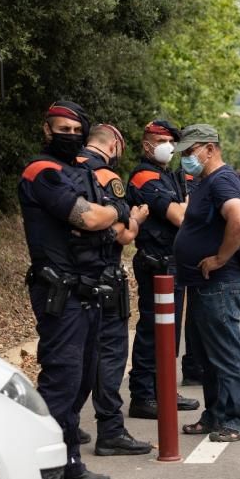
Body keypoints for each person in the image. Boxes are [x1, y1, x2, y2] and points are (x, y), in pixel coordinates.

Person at [19, 101, 139, 479]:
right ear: (46, 129)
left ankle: (70, 462)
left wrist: (111, 212)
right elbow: (87, 219)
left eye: (75, 128)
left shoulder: (83, 173)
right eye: (60, 127)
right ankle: (43, 478)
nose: (68, 133)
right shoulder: (42, 172)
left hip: (89, 291)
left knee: (84, 379)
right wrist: (116, 209)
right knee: (62, 382)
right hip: (60, 293)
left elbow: (115, 226)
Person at [173, 124, 240, 442]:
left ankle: (239, 419)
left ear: (209, 148)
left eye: (191, 152)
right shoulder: (206, 181)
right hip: (202, 283)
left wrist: (220, 258)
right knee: (208, 355)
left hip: (218, 282)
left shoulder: (221, 181)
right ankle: (216, 414)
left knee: (225, 352)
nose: (186, 159)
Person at [75, 124, 153, 457]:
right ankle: (110, 429)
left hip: (71, 277)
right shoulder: (107, 178)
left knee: (75, 355)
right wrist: (135, 219)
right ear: (115, 144)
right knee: (109, 353)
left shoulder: (66, 171)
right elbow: (123, 234)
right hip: (105, 276)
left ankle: (63, 422)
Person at [126, 120, 202, 417]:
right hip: (157, 263)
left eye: (171, 141)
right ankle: (144, 395)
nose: (169, 146)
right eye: (162, 140)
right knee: (152, 331)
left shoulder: (165, 174)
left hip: (170, 261)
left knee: (169, 331)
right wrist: (184, 207)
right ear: (147, 144)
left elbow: (185, 209)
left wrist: (184, 206)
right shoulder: (146, 177)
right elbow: (180, 216)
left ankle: (163, 390)